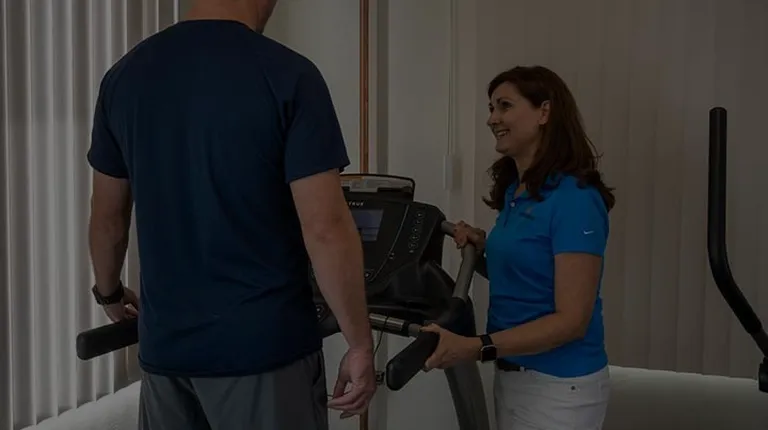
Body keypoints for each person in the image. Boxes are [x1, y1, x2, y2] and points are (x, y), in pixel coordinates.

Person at [85, 0, 376, 429]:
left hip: (168, 352)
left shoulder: (124, 77)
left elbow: (108, 218)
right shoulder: (288, 75)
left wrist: (109, 294)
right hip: (262, 354)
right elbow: (325, 228)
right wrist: (360, 343)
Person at [421, 65, 616, 430]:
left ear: (544, 112)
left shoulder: (575, 199)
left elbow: (572, 321)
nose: (492, 119)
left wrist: (475, 346)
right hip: (513, 374)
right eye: (491, 108)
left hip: (560, 386)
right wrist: (483, 250)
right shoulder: (518, 190)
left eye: (504, 106)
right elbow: (526, 275)